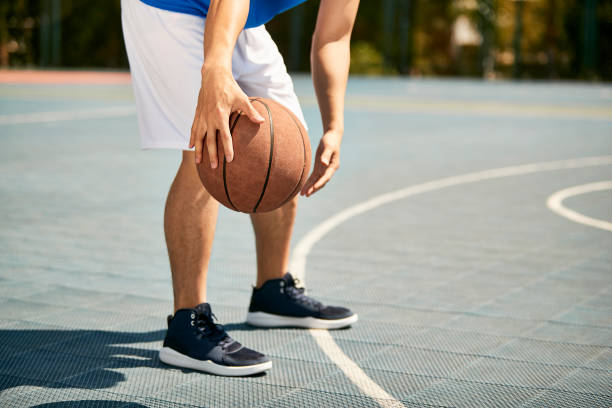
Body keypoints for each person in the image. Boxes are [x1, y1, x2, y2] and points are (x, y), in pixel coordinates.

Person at [121, 0, 360, 376]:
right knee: (207, 149)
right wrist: (214, 70)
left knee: (283, 143)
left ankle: (271, 292)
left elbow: (334, 36)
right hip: (171, 7)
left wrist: (335, 125)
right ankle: (187, 324)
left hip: (239, 16)